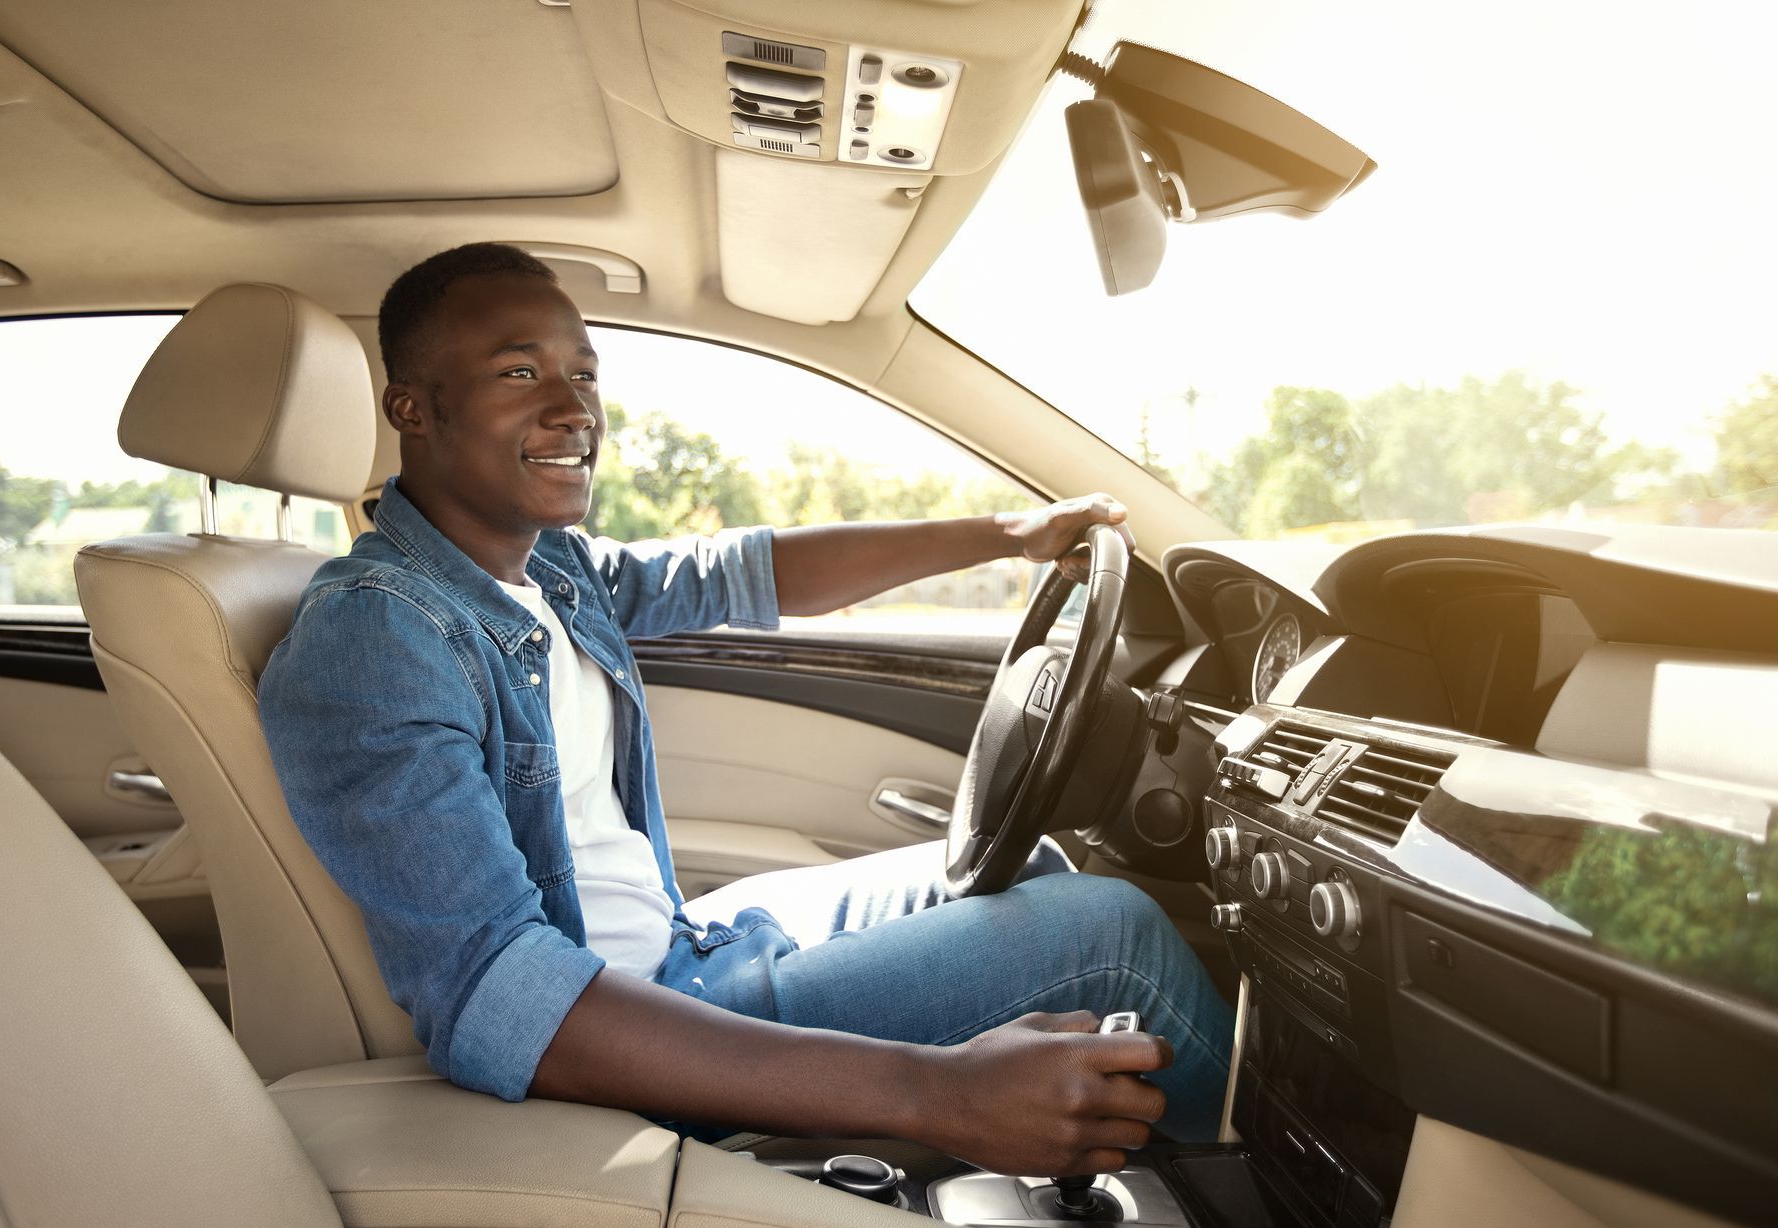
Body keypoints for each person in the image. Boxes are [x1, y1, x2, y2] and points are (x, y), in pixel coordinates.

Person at [260, 243, 1233, 1176]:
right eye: (520, 373)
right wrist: (934, 1091)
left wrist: (1009, 533)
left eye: (585, 376)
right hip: (633, 1030)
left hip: (682, 950)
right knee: (1114, 933)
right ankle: (1281, 1200)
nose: (573, 410)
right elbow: (502, 994)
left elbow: (742, 571)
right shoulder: (379, 635)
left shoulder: (546, 569)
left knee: (1035, 869)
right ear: (413, 409)